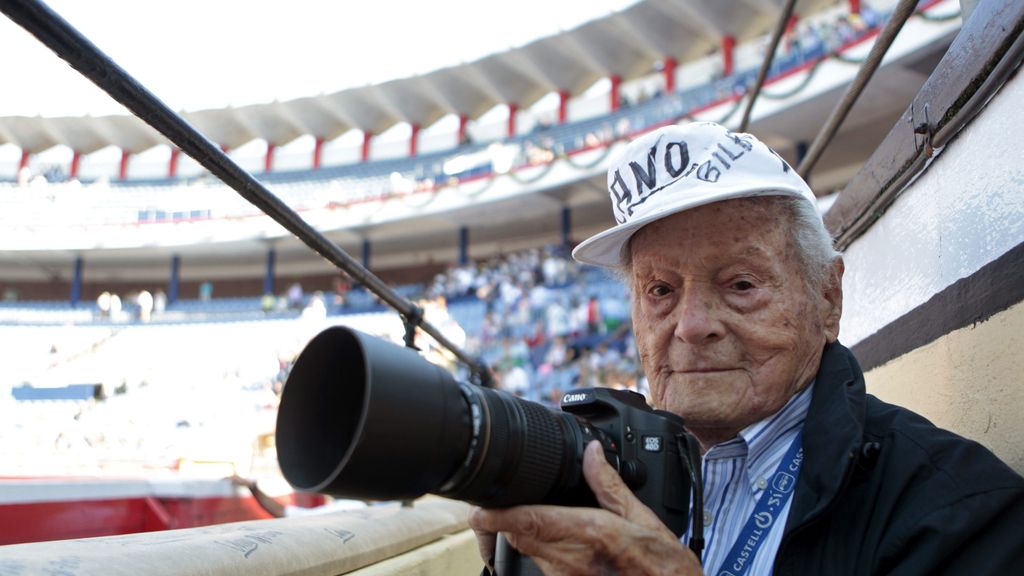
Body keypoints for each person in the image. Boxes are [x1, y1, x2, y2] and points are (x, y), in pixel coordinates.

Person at [469, 122, 1024, 575]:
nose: (691, 325)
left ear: (827, 298)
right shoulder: (600, 474)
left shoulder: (957, 510)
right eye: (660, 291)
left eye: (740, 284)